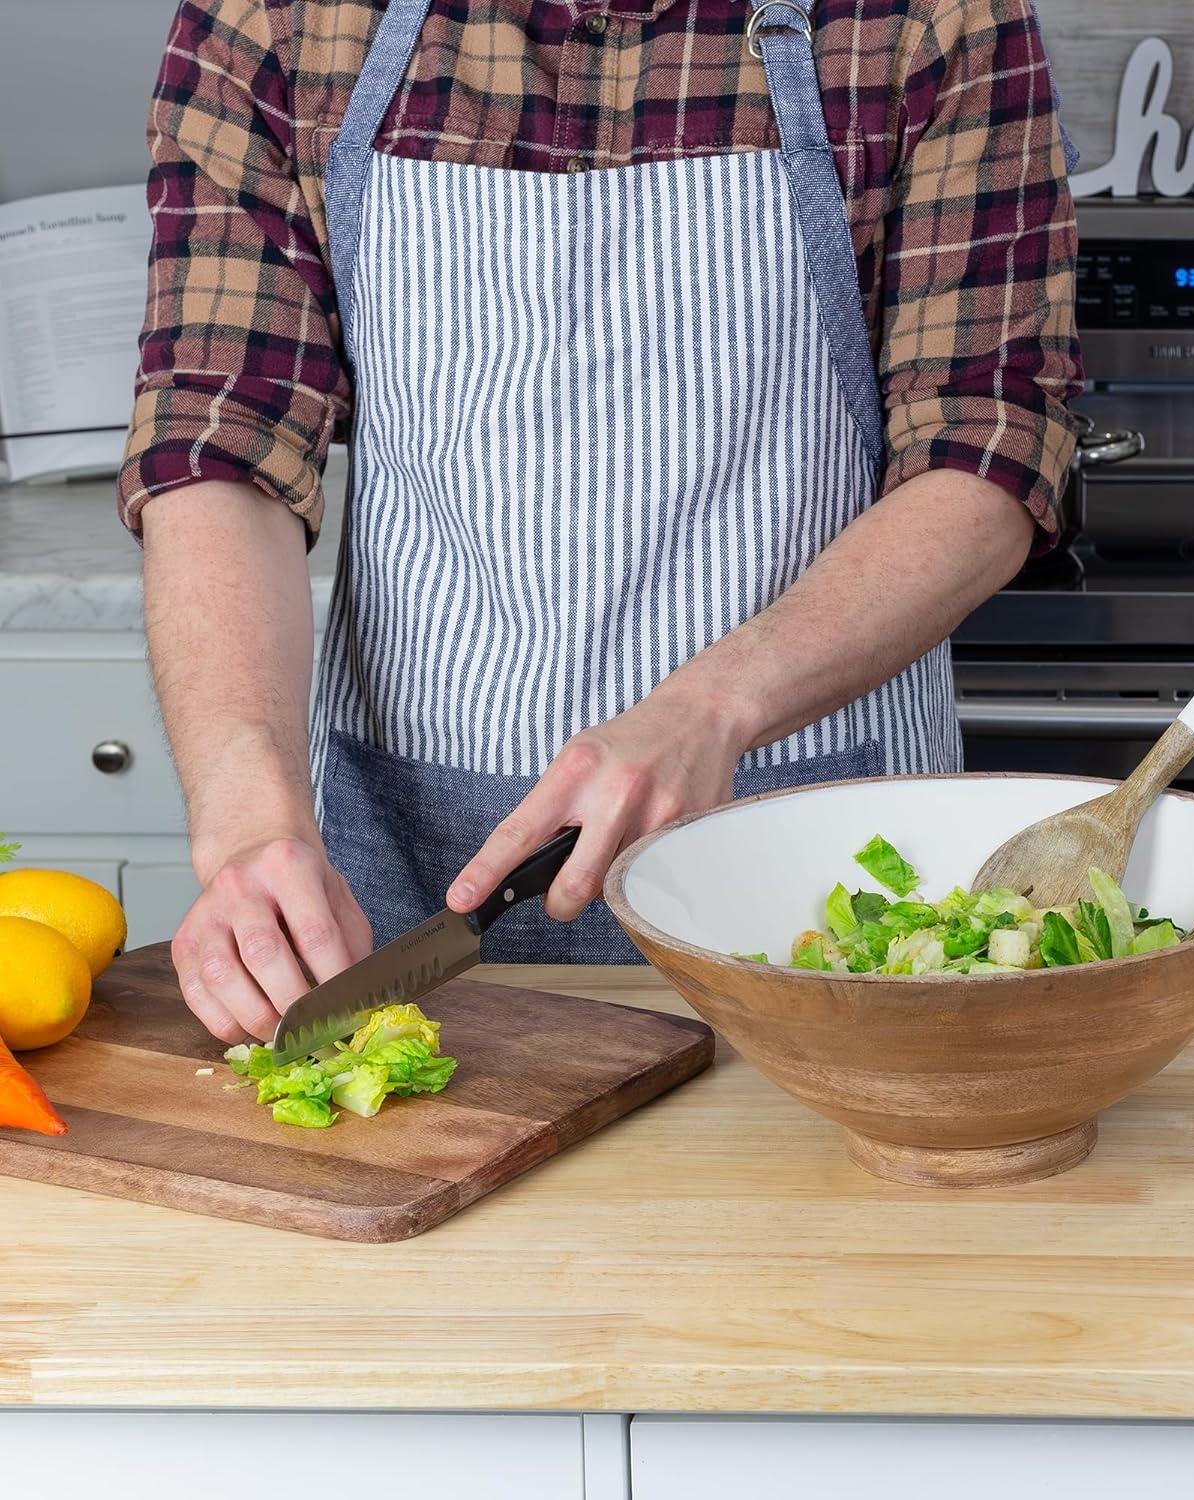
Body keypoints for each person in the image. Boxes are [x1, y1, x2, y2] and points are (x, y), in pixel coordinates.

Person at [122, 0, 1082, 1043]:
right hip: (403, 861)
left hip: (816, 848)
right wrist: (247, 823)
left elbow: (988, 451)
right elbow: (220, 441)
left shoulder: (930, 19)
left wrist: (717, 706)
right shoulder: (281, 18)